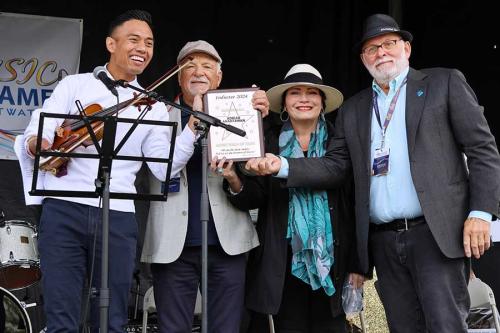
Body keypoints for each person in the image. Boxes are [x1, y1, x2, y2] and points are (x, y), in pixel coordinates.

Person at [246, 14, 500, 333]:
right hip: (383, 242)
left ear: (406, 48)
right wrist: (281, 165)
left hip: (434, 235)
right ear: (363, 59)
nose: (381, 52)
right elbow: (336, 166)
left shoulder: (442, 83)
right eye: (371, 48)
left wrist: (480, 213)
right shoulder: (355, 108)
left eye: (389, 43)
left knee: (446, 326)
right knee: (402, 326)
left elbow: (482, 149)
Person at [22, 10, 194, 332]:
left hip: (117, 214)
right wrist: (39, 141)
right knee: (61, 316)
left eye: (149, 43)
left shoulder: (152, 105)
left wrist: (191, 132)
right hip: (64, 208)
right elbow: (43, 123)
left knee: (113, 318)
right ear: (110, 44)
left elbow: (163, 167)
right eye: (134, 40)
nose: (143, 47)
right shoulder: (75, 85)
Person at [211, 63, 365, 332]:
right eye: (295, 92)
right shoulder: (266, 140)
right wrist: (233, 178)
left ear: (323, 102)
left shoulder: (341, 142)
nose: (304, 99)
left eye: (312, 93)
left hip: (333, 264)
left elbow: (354, 204)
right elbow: (256, 197)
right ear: (284, 103)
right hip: (280, 265)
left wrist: (358, 265)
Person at [140, 40, 269, 332]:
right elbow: (158, 171)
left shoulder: (239, 112)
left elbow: (258, 183)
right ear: (178, 76)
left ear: (219, 77)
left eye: (207, 66)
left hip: (228, 244)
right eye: (190, 65)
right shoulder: (156, 115)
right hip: (172, 245)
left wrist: (261, 118)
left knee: (226, 328)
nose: (199, 72)